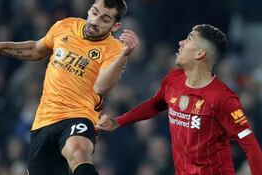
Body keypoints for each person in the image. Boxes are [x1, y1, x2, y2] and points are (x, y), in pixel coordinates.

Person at [0, 0, 139, 175]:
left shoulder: (115, 49)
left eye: (104, 19)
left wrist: (124, 55)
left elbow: (101, 86)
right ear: (89, 9)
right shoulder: (65, 26)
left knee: (78, 153)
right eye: (94, 12)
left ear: (115, 26)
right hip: (44, 120)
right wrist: (0, 47)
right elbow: (36, 49)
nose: (95, 21)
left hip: (79, 115)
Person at [97, 24, 262, 174]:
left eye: (189, 39)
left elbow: (250, 145)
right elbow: (155, 104)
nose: (181, 42)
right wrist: (119, 121)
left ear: (200, 53)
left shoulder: (223, 98)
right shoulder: (173, 79)